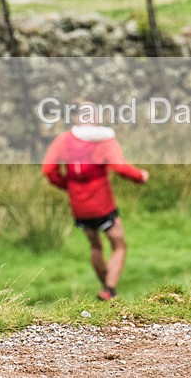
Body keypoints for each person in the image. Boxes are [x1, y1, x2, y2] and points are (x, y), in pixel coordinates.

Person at [42, 102, 149, 301]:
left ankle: (106, 290)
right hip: (102, 204)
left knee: (95, 247)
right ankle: (109, 289)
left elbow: (48, 169)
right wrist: (140, 176)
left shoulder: (63, 139)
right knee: (119, 245)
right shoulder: (103, 139)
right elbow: (120, 166)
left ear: (76, 118)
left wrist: (67, 185)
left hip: (79, 205)